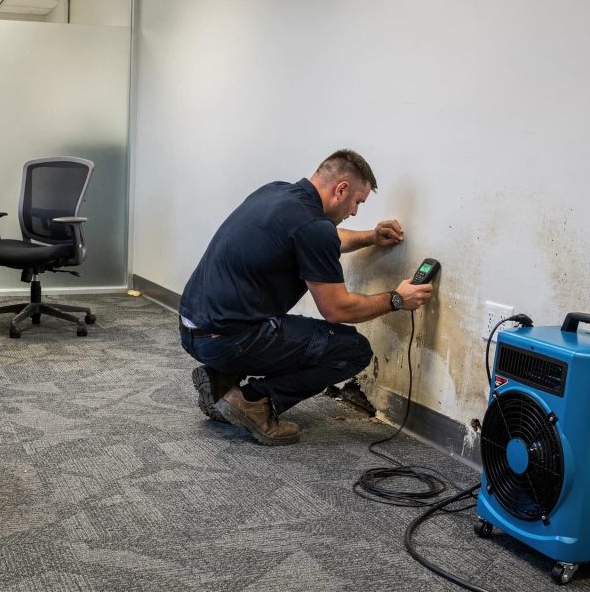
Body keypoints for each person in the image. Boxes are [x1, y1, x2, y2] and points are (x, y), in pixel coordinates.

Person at [178, 149, 433, 445]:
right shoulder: (314, 227)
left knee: (285, 329)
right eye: (357, 202)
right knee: (353, 350)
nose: (354, 212)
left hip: (192, 328)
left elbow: (326, 236)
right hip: (227, 340)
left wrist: (370, 237)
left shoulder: (276, 192)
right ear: (341, 189)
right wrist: (397, 299)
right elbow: (337, 310)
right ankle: (254, 402)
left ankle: (220, 382)